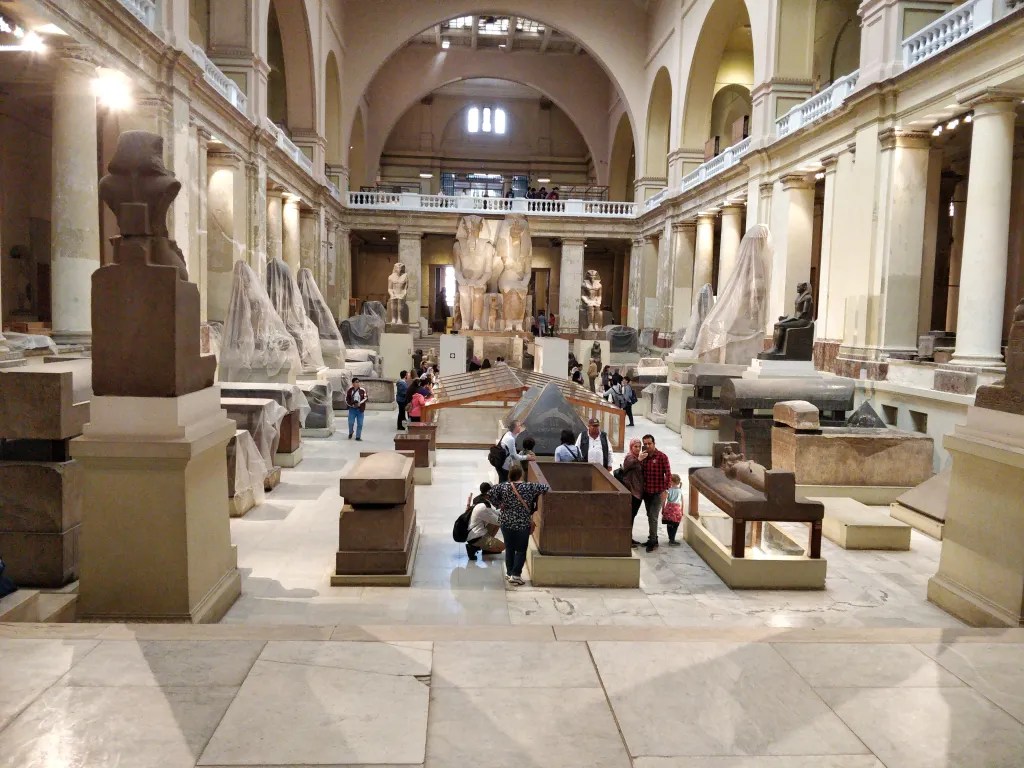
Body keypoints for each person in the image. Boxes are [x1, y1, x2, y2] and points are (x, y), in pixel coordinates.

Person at [488, 464, 549, 586]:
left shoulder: (502, 487)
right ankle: (516, 575)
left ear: (510, 474)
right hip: (522, 522)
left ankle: (509, 572)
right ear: (521, 474)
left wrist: (499, 505)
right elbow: (545, 487)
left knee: (509, 548)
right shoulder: (529, 487)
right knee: (520, 550)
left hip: (506, 521)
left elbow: (490, 494)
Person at [640, 434, 672, 552]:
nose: (647, 446)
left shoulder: (662, 457)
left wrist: (665, 490)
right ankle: (654, 538)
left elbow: (668, 474)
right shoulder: (644, 457)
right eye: (646, 444)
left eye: (650, 443)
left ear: (654, 443)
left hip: (658, 492)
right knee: (650, 516)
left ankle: (652, 541)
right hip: (647, 492)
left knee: (653, 516)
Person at [465, 482, 505, 560]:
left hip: (474, 532)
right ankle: (474, 547)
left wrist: (503, 510)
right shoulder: (483, 506)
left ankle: (486, 547)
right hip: (477, 537)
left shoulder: (479, 501)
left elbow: (493, 513)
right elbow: (498, 520)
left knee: (495, 524)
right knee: (502, 547)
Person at [618, 438, 645, 546]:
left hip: (639, 491)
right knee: (629, 516)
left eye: (639, 446)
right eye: (635, 446)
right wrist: (639, 459)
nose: (638, 449)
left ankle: (629, 537)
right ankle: (626, 539)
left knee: (632, 516)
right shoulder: (630, 457)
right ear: (631, 447)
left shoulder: (639, 458)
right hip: (632, 491)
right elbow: (628, 465)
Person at [497, 419, 534, 483]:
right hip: (504, 465)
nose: (520, 427)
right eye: (519, 426)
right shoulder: (510, 439)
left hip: (503, 462)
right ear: (515, 428)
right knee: (504, 482)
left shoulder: (510, 434)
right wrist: (527, 457)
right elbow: (514, 456)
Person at [662, 474, 684, 546]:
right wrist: (682, 510)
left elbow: (664, 500)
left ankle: (670, 539)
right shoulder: (680, 491)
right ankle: (672, 539)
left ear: (672, 482)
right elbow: (682, 501)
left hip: (669, 508)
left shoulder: (668, 490)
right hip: (677, 509)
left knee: (669, 523)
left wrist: (663, 509)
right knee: (675, 524)